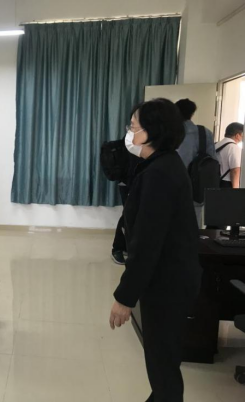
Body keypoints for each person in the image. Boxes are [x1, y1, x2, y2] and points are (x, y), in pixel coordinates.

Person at [109, 98, 202, 402]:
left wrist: (125, 297)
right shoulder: (164, 164)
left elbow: (147, 244)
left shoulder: (160, 174)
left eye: (133, 126)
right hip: (171, 281)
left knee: (163, 369)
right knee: (163, 365)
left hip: (167, 284)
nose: (129, 132)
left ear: (152, 132)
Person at [175, 98, 216, 227]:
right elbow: (212, 161)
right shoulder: (205, 133)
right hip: (197, 186)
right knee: (194, 225)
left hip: (172, 185)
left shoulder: (169, 132)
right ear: (192, 113)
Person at [111, 117, 142, 265]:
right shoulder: (129, 139)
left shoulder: (141, 139)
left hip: (135, 182)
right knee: (128, 215)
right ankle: (117, 248)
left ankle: (126, 247)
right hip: (127, 183)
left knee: (132, 215)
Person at [215, 122, 244, 188]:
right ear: (237, 135)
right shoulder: (233, 147)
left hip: (217, 181)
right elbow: (235, 171)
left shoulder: (217, 144)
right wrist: (235, 190)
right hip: (227, 184)